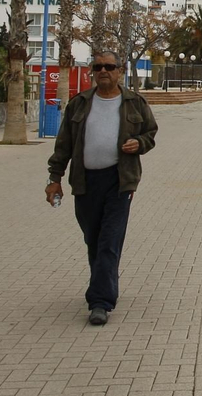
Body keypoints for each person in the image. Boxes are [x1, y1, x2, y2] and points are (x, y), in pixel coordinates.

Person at [45, 49, 158, 326]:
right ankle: (106, 280)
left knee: (109, 240)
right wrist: (54, 179)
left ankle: (100, 302)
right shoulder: (79, 104)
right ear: (92, 72)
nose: (103, 71)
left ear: (120, 70)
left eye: (109, 66)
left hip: (119, 181)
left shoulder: (134, 102)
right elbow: (64, 145)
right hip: (85, 183)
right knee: (93, 239)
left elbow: (150, 133)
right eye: (98, 67)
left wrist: (139, 144)